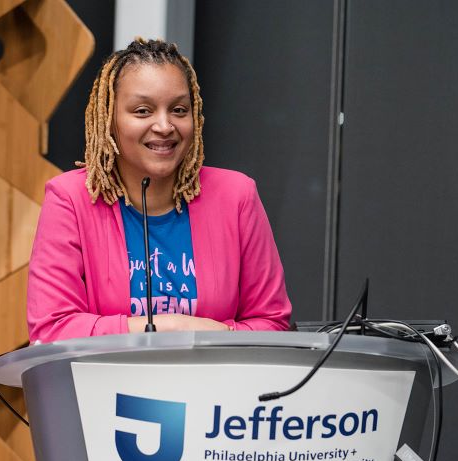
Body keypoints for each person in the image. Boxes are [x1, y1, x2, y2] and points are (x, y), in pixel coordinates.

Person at [27, 38, 291, 343]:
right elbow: (51, 330)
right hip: (106, 387)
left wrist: (195, 333)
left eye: (179, 110)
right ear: (110, 119)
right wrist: (172, 329)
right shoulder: (71, 199)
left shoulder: (237, 196)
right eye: (142, 111)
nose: (164, 126)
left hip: (215, 388)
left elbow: (273, 324)